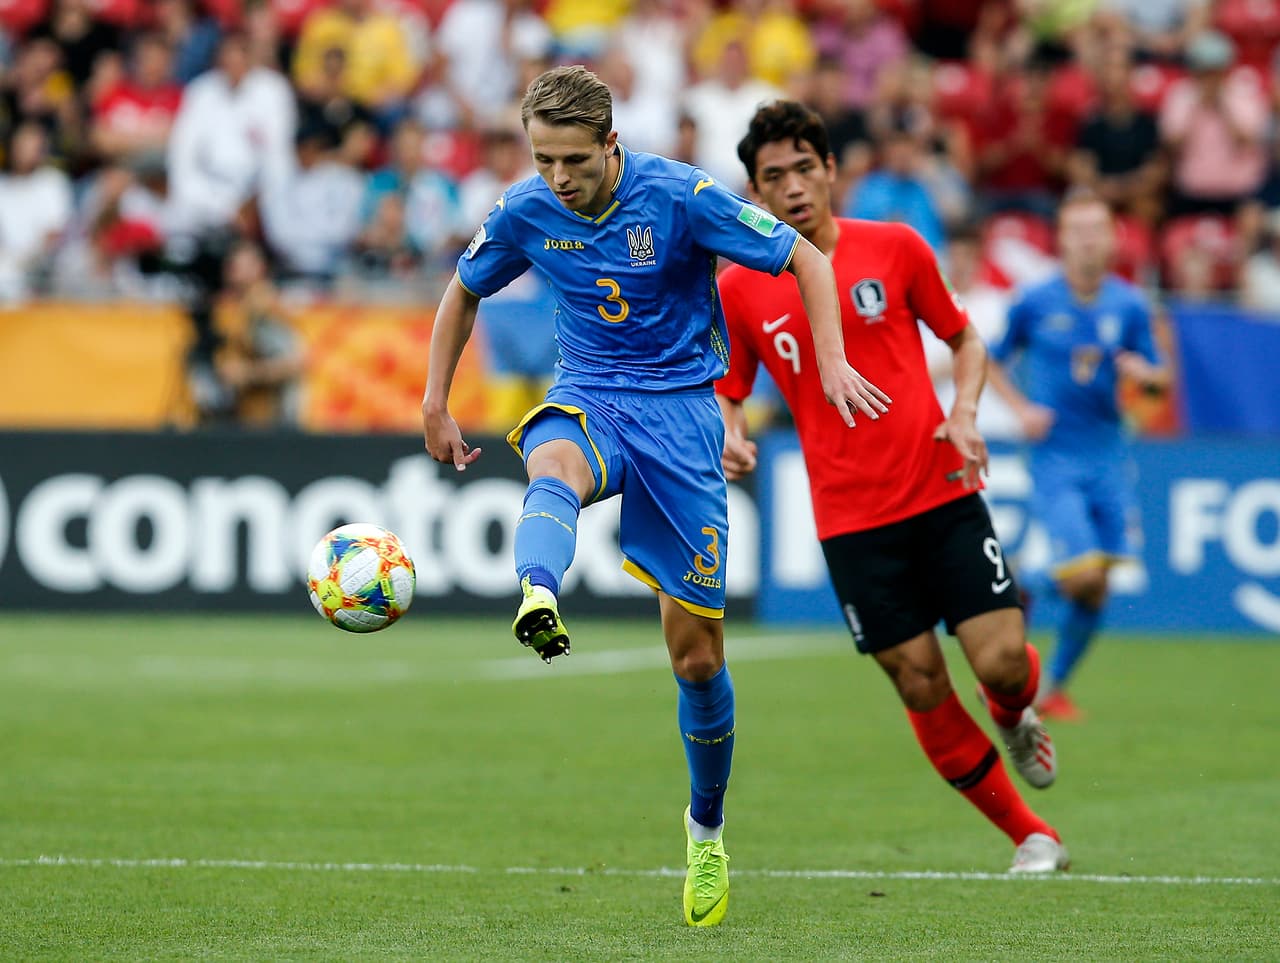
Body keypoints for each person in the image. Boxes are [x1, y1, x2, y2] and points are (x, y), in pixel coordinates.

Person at [422, 65, 890, 926]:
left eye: (572, 160)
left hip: (681, 418)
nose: (558, 179)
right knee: (552, 462)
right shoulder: (526, 208)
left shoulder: (682, 196)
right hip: (591, 395)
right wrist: (434, 399)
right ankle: (537, 588)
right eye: (543, 159)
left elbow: (807, 259)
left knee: (697, 660)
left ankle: (705, 829)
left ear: (611, 143)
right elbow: (463, 291)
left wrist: (829, 359)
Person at [716, 100, 1067, 873]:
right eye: (774, 177)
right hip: (851, 521)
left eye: (805, 168)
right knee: (918, 679)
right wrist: (732, 432)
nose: (794, 187)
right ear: (757, 193)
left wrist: (967, 411)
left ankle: (1014, 715)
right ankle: (1031, 834)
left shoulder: (896, 247)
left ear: (832, 170)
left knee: (1003, 661)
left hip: (940, 488)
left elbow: (964, 338)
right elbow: (728, 386)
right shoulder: (741, 288)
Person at [988, 189, 1170, 721]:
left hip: (1110, 455)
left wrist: (1145, 375)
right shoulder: (1035, 300)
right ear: (1061, 239)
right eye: (1079, 230)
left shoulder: (1130, 304)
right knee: (1086, 571)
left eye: (1098, 230)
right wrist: (1021, 409)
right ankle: (1019, 590)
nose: (1089, 240)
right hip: (1055, 458)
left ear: (1114, 238)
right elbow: (990, 360)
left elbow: (1159, 380)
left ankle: (1052, 687)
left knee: (1100, 582)